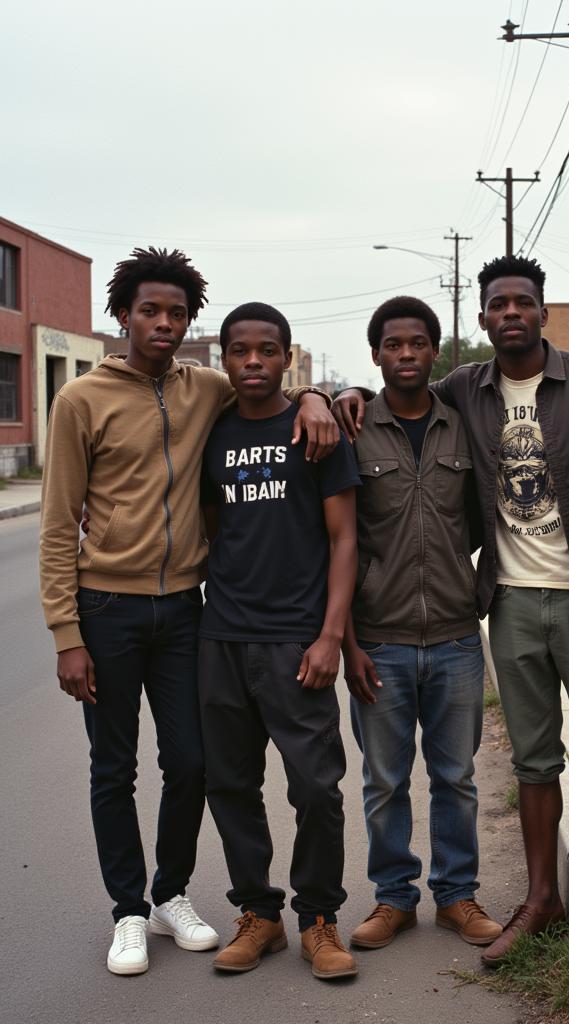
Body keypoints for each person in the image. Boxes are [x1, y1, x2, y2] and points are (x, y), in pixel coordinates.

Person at [334, 256, 569, 967]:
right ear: (480, 320)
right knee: (533, 758)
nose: (510, 313)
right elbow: (390, 390)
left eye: (522, 302)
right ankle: (538, 897)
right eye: (497, 304)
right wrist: (336, 393)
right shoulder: (463, 389)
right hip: (506, 601)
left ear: (540, 311)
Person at [39, 248, 336, 976]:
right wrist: (66, 633)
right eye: (151, 311)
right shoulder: (81, 400)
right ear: (122, 317)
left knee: (193, 764)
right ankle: (129, 911)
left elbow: (270, 385)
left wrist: (325, 397)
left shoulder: (206, 387)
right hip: (106, 608)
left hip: (184, 612)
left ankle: (171, 893)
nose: (165, 323)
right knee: (114, 767)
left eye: (177, 313)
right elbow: (57, 523)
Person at [199, 302, 360, 981]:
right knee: (230, 784)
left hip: (297, 641)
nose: (254, 362)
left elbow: (345, 538)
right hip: (223, 638)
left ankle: (318, 920)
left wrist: (330, 637)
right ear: (226, 359)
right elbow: (211, 531)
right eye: (241, 351)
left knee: (316, 790)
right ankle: (258, 915)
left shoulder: (315, 432)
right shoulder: (211, 432)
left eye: (268, 350)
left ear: (288, 357)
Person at [343, 297, 502, 952]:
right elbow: (338, 540)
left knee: (456, 778)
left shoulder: (462, 428)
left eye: (417, 344)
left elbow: (491, 514)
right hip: (377, 640)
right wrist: (348, 640)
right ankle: (393, 899)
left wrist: (479, 595)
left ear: (435, 351)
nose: (405, 354)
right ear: (376, 353)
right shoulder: (351, 429)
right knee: (384, 780)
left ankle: (457, 896)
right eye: (392, 344)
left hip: (457, 639)